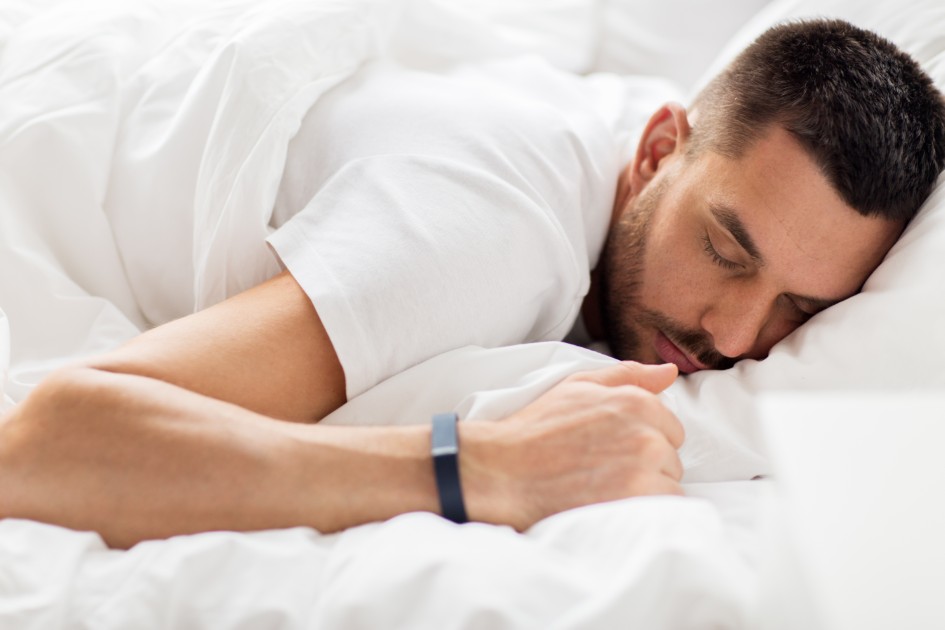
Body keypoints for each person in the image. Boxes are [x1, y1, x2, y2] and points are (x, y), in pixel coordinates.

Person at [0, 18, 943, 549]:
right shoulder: (486, 235)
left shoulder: (627, 148)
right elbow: (47, 444)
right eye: (726, 251)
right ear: (659, 151)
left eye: (798, 308)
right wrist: (480, 468)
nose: (734, 336)